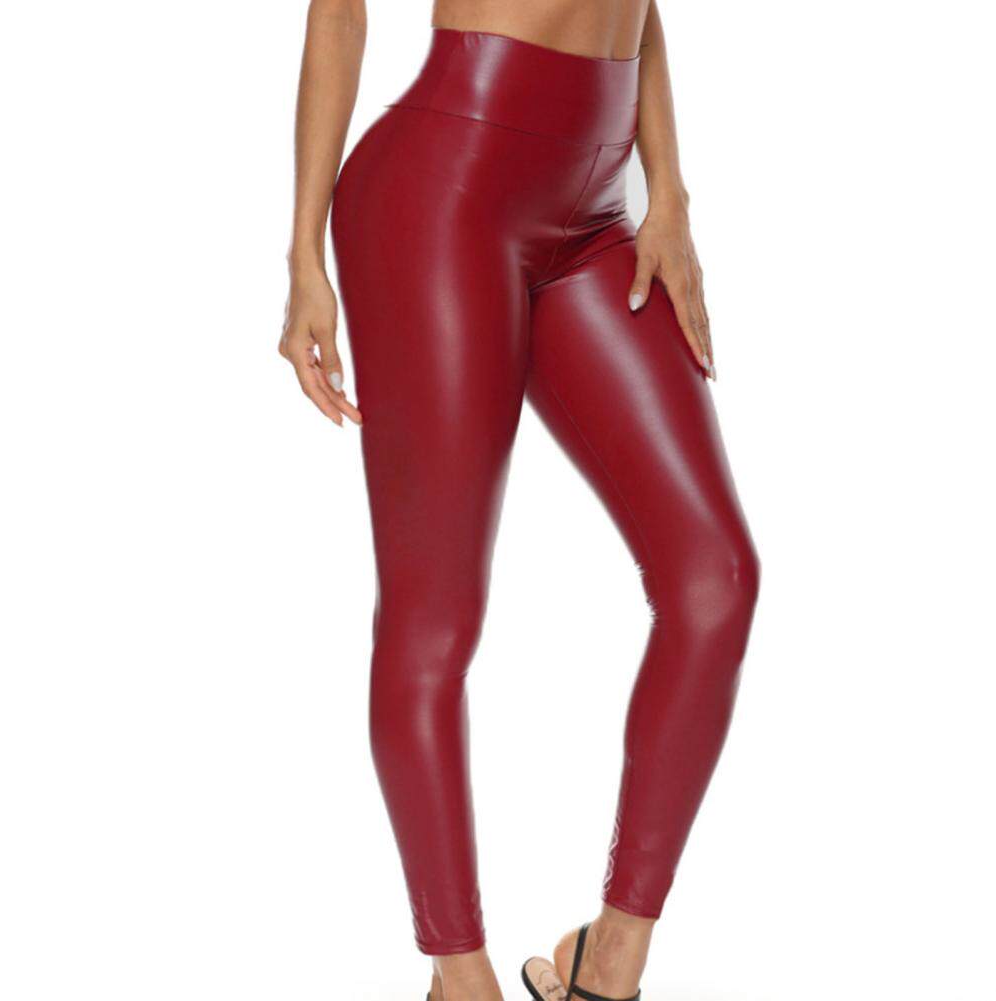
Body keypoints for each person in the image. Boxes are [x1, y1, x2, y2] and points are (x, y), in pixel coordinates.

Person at [279, 2, 760, 998]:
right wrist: (303, 259)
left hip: (596, 212)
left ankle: (610, 957)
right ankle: (459, 975)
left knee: (713, 578)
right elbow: (338, 10)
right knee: (435, 619)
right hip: (443, 191)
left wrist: (668, 194)